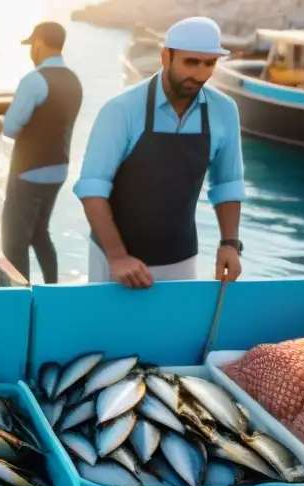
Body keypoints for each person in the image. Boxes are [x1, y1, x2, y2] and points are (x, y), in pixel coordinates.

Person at [73, 17, 244, 288]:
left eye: (209, 63)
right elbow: (93, 189)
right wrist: (117, 257)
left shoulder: (224, 111)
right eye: (190, 62)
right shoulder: (121, 110)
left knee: (177, 331)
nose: (200, 74)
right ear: (166, 57)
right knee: (111, 332)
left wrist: (230, 245)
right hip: (115, 260)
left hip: (181, 258)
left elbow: (227, 184)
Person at [0, 21, 83, 284]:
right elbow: (50, 116)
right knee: (40, 233)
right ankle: (52, 288)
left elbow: (12, 128)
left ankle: (21, 298)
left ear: (38, 43)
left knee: (14, 243)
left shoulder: (34, 80)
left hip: (29, 173)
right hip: (58, 170)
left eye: (31, 46)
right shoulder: (73, 80)